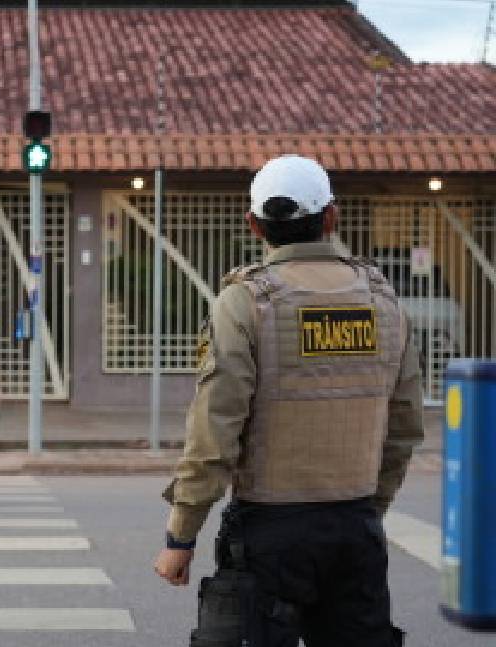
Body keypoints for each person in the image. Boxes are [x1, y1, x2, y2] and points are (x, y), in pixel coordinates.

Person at [152, 155, 424, 646]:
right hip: (355, 527)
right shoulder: (383, 302)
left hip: (269, 536)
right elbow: (403, 428)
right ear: (332, 217)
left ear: (253, 225)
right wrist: (367, 510)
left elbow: (215, 431)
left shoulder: (247, 302)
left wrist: (181, 535)